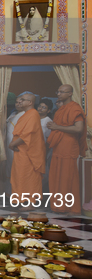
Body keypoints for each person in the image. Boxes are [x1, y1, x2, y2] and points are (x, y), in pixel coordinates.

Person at [47, 85, 87, 214]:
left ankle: (70, 206)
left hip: (69, 145)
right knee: (57, 174)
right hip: (59, 145)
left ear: (70, 93)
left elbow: (78, 129)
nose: (58, 94)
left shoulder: (74, 108)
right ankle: (59, 206)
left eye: (61, 92)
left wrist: (57, 127)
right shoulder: (61, 109)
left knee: (67, 176)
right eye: (57, 91)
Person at [8, 93, 46, 210]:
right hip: (21, 152)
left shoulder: (33, 114)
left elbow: (26, 135)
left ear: (30, 102)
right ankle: (20, 200)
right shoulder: (25, 115)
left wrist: (12, 144)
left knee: (29, 176)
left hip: (29, 153)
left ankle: (30, 202)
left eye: (23, 100)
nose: (20, 102)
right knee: (19, 176)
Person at [38, 98, 53, 193]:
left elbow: (49, 140)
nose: (40, 109)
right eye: (39, 106)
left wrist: (45, 152)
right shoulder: (34, 118)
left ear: (48, 110)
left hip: (43, 150)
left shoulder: (48, 122)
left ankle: (41, 195)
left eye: (44, 107)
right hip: (34, 150)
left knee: (43, 174)